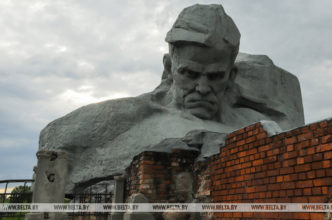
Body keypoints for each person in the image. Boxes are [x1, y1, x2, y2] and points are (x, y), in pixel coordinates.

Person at [38, 4, 304, 192]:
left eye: (214, 77)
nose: (201, 88)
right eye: (189, 73)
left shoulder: (255, 123)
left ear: (231, 75)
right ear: (168, 69)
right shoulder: (135, 117)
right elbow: (56, 139)